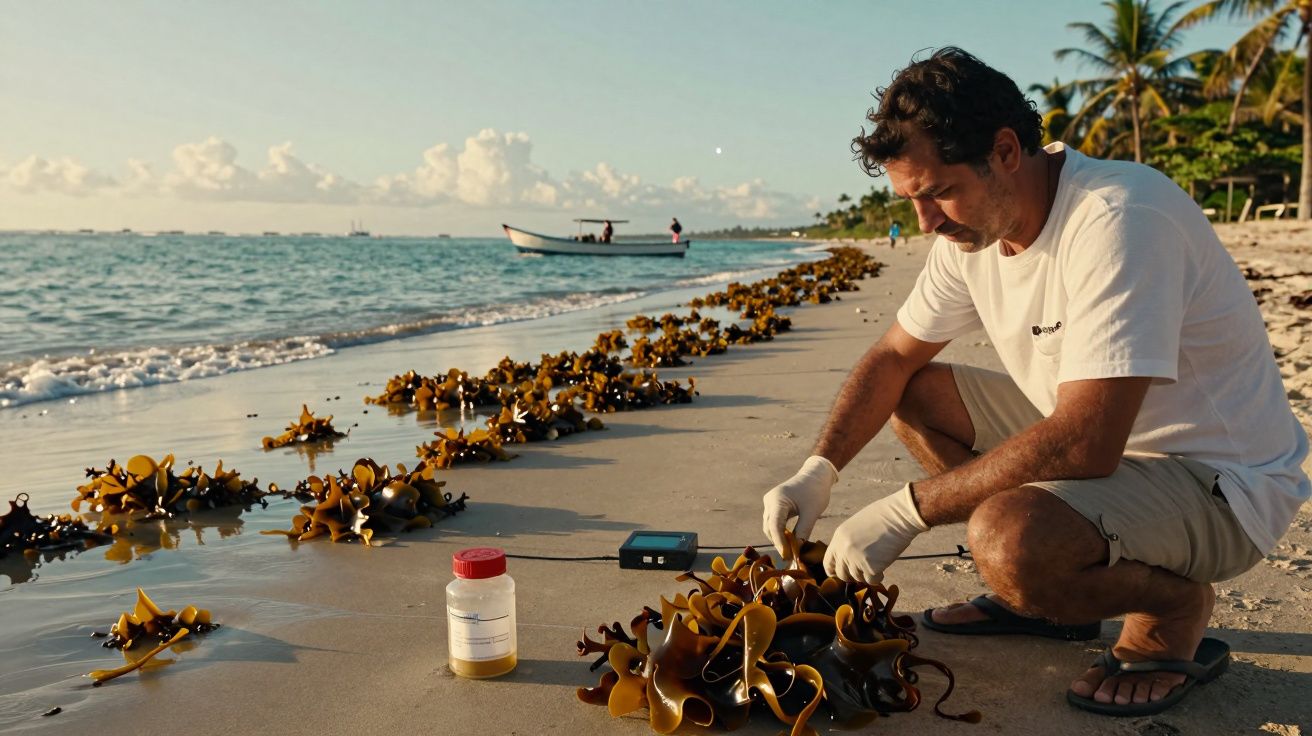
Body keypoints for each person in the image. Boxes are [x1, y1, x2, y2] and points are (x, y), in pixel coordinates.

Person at [760, 47, 1308, 717]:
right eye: (911, 200)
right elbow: (894, 359)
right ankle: (1058, 601)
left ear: (1007, 151)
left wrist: (905, 510)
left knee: (1009, 541)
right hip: (1108, 442)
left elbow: (1087, 444)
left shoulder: (1117, 216)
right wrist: (819, 469)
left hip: (1218, 483)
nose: (926, 221)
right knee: (916, 393)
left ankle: (1169, 612)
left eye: (937, 192)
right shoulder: (971, 235)